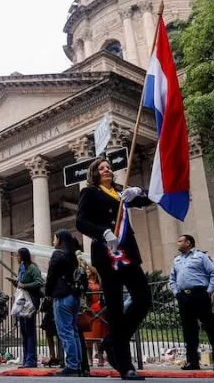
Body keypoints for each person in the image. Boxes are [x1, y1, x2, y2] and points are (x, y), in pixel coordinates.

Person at [76, 158, 152, 380]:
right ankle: (125, 365)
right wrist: (103, 233)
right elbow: (81, 222)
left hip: (127, 253)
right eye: (101, 168)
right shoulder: (90, 193)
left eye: (109, 167)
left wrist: (138, 190)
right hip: (106, 254)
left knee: (143, 298)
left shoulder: (121, 192)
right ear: (94, 173)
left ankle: (112, 340)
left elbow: (149, 198)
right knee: (116, 308)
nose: (107, 169)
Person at [168, 234, 214, 372]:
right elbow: (172, 279)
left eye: (180, 241)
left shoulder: (201, 256)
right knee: (189, 330)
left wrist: (209, 291)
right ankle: (192, 361)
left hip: (200, 294)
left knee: (210, 327)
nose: (177, 243)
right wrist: (176, 293)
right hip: (184, 297)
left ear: (188, 243)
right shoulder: (177, 260)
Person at [45, 229, 84, 376]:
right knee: (73, 332)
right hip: (74, 297)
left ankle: (72, 366)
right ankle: (78, 364)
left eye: (54, 239)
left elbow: (51, 276)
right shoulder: (72, 257)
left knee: (65, 332)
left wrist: (48, 293)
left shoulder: (57, 254)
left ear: (60, 240)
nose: (53, 241)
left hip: (61, 296)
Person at [10, 247, 43, 369]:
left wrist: (24, 285)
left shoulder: (32, 267)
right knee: (24, 331)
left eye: (18, 256)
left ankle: (31, 360)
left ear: (23, 256)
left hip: (30, 301)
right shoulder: (21, 268)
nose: (17, 258)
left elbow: (39, 282)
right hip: (22, 301)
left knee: (29, 331)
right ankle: (26, 359)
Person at [83, 266, 108, 367]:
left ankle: (100, 357)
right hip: (88, 309)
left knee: (98, 337)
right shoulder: (85, 282)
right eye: (86, 270)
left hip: (99, 309)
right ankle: (89, 359)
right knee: (88, 337)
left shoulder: (99, 283)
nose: (87, 271)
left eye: (88, 270)